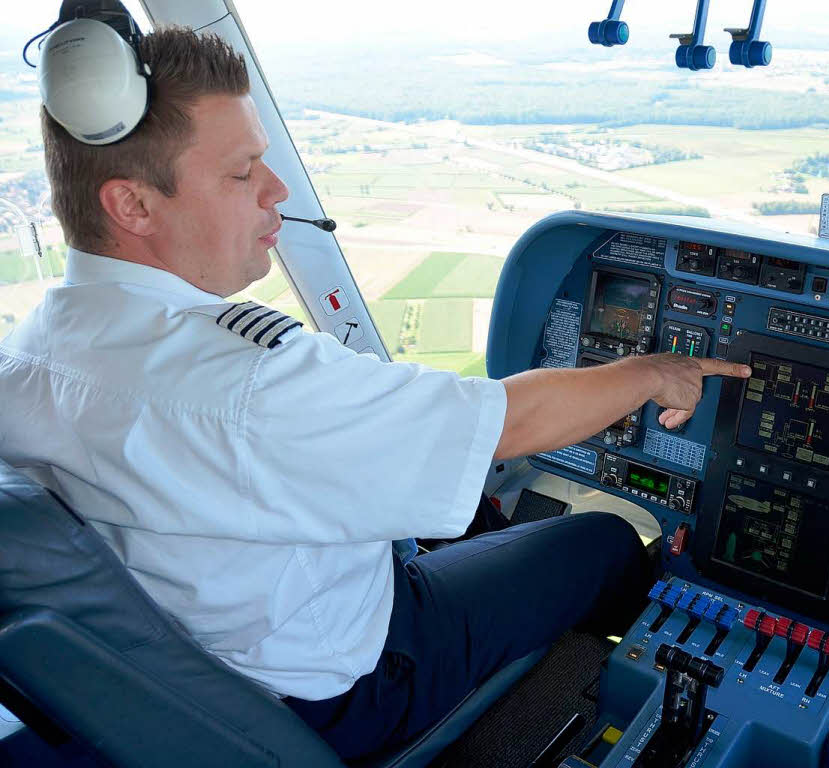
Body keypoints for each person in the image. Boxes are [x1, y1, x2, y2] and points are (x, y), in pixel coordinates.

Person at [0, 27, 751, 760]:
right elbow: (509, 425)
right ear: (133, 206)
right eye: (241, 172)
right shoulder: (247, 378)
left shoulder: (30, 353)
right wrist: (654, 373)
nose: (278, 190)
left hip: (191, 675)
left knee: (475, 522)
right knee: (608, 542)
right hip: (347, 684)